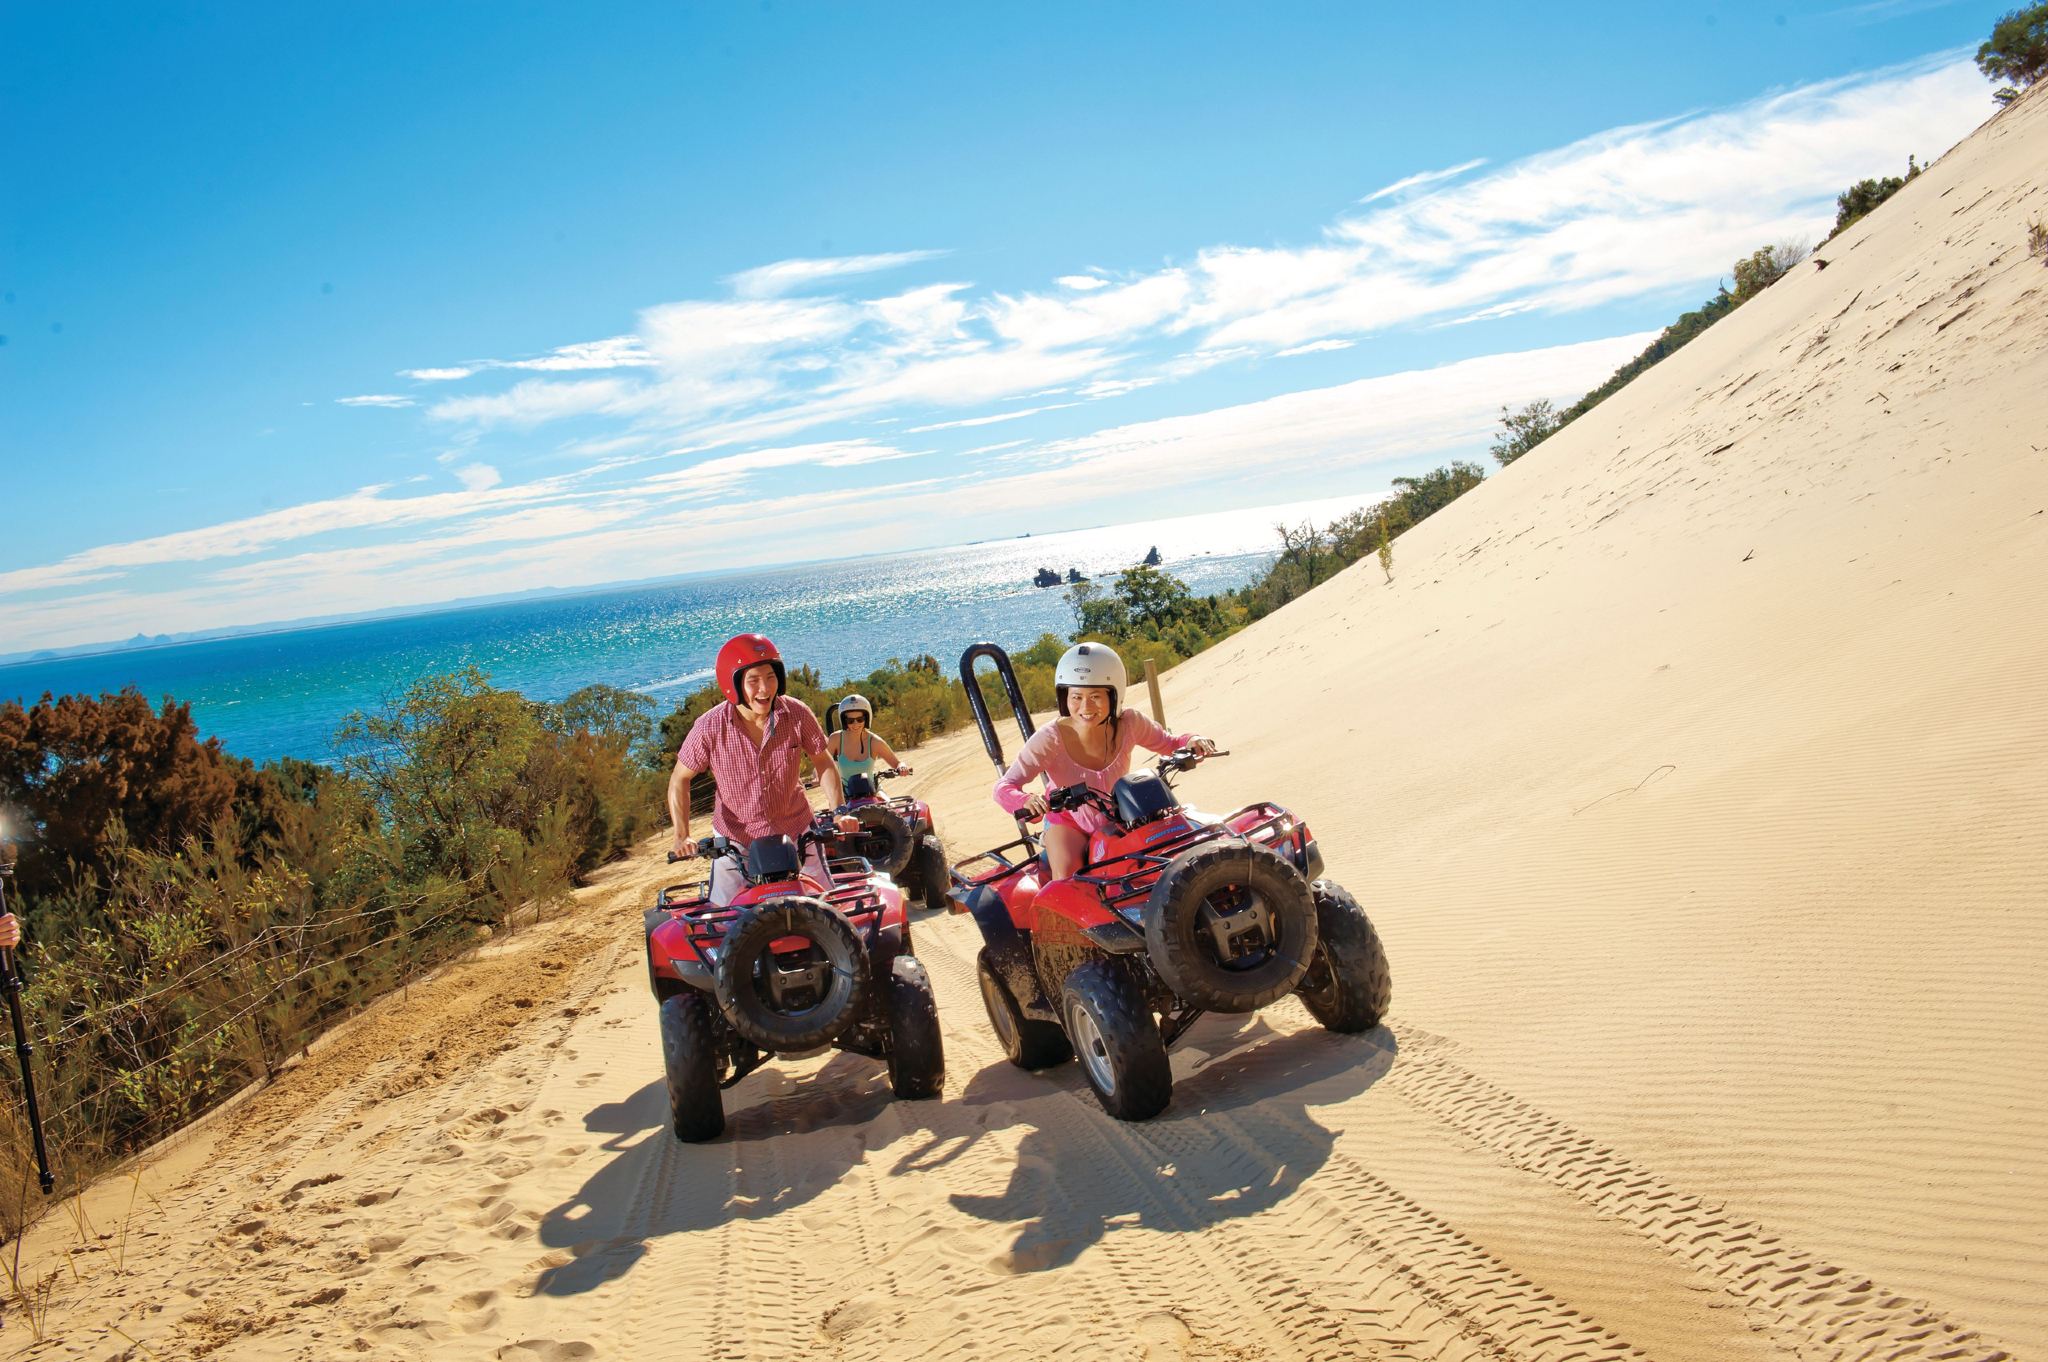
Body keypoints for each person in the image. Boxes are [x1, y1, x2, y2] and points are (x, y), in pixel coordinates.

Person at [992, 642, 1217, 881]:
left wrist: (1194, 740)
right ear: (1064, 697)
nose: (1085, 707)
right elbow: (1003, 787)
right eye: (1076, 696)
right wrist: (1026, 801)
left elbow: (1170, 743)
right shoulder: (1049, 739)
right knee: (1069, 881)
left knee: (1174, 853)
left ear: (1114, 695)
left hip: (1126, 815)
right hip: (1070, 822)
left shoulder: (1130, 723)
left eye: (1096, 696)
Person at [668, 633, 860, 905]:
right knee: (727, 920)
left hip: (796, 830)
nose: (764, 689)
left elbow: (824, 763)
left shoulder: (796, 713)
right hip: (736, 842)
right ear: (732, 684)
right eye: (753, 680)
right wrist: (681, 835)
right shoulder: (709, 727)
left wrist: (840, 810)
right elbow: (679, 779)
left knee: (828, 906)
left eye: (770, 677)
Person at [828, 693, 911, 791]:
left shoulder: (875, 742)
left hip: (872, 793)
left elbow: (897, 763)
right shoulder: (835, 739)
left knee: (890, 805)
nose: (855, 724)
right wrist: (816, 776)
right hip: (845, 796)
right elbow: (821, 762)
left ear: (866, 719)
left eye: (860, 719)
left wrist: (902, 766)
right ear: (844, 720)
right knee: (834, 806)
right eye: (850, 720)